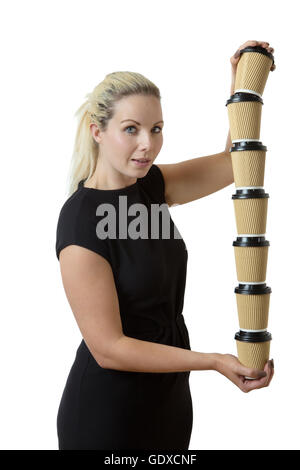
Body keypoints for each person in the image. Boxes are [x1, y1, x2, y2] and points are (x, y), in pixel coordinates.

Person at [55, 40, 275, 450]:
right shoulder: (81, 220)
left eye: (156, 129)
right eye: (131, 129)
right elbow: (110, 349)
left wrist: (242, 86)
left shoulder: (151, 187)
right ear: (97, 131)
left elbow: (233, 163)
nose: (148, 145)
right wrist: (211, 361)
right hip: (108, 414)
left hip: (169, 402)